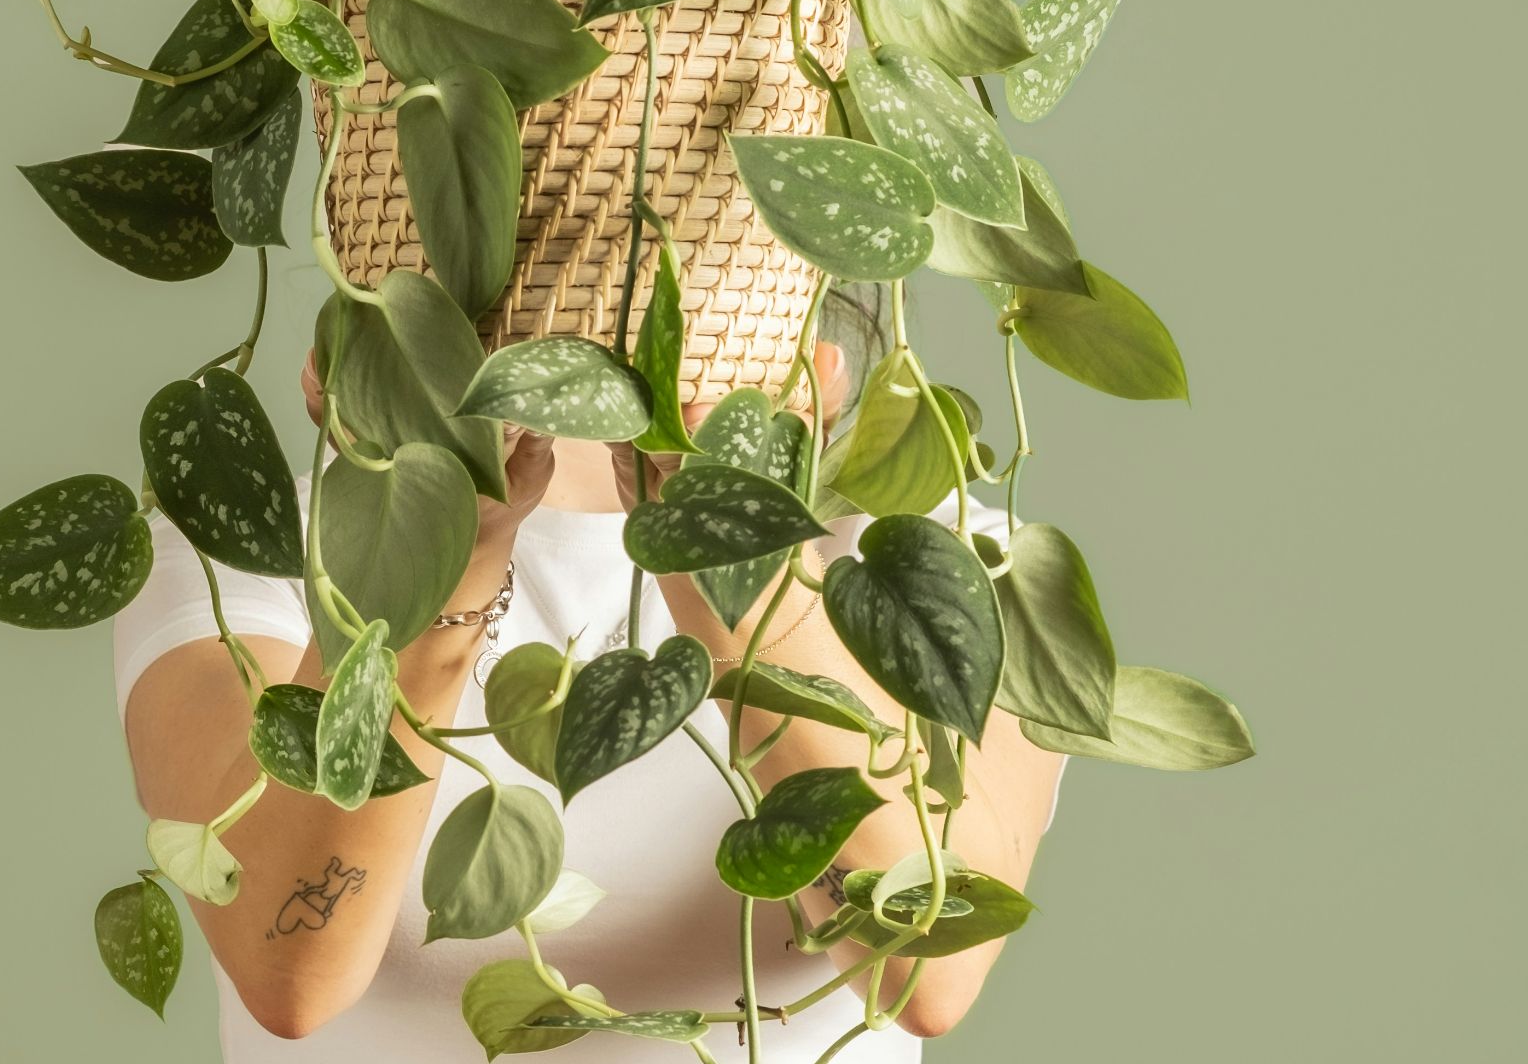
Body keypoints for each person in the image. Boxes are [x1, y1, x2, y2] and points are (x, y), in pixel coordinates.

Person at [112, 331, 1069, 1062]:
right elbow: (290, 971)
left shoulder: (950, 570)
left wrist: (717, 560)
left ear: (819, 364)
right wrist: (445, 555)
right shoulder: (262, 552)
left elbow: (930, 968)